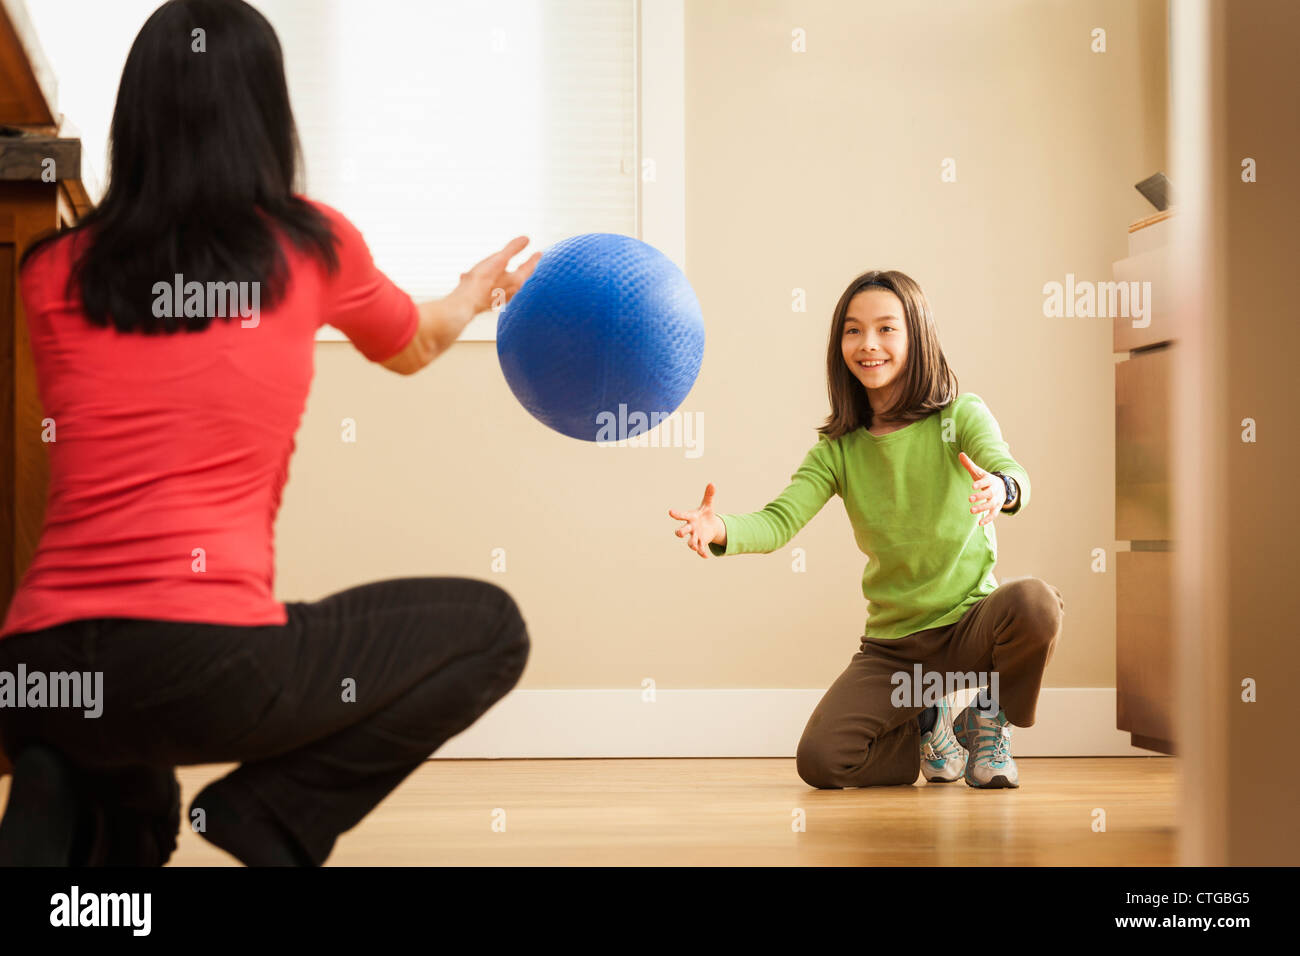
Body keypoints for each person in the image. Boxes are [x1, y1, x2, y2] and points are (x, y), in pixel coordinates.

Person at [0, 0, 537, 866]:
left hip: (37, 668)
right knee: (490, 627)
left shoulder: (52, 271)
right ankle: (264, 816)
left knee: (129, 823)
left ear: (135, 115)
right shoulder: (310, 249)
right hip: (202, 659)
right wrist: (473, 292)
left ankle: (57, 776)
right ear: (265, 112)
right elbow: (417, 345)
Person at [669, 270, 1065, 789]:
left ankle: (987, 718)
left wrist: (1002, 489)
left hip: (970, 629)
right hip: (896, 651)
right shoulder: (838, 449)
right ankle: (925, 724)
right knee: (822, 762)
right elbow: (777, 520)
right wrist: (719, 527)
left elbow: (1011, 471)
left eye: (886, 328)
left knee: (1036, 603)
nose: (868, 344)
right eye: (853, 331)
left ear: (916, 336)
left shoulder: (960, 415)